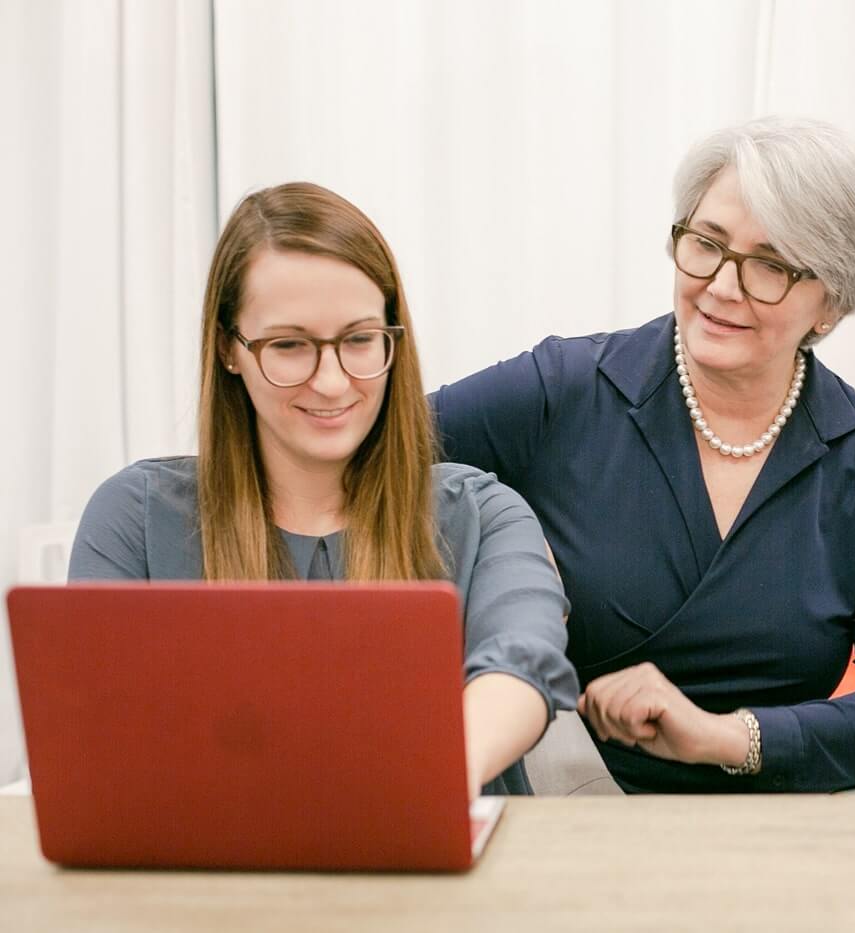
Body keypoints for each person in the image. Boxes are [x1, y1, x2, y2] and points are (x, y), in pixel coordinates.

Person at [431, 117, 855, 793]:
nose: (722, 285)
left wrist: (727, 736)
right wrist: (500, 537)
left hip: (766, 814)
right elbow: (373, 455)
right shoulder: (566, 387)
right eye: (706, 244)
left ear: (831, 302)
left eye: (770, 264)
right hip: (562, 798)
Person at [69, 182, 577, 798]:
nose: (333, 382)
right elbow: (102, 727)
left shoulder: (483, 513)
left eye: (360, 340)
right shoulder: (135, 515)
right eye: (290, 345)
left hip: (438, 874)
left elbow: (523, 665)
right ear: (230, 349)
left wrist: (424, 784)